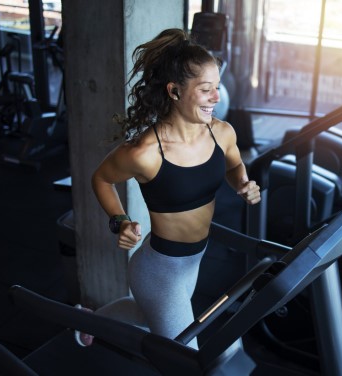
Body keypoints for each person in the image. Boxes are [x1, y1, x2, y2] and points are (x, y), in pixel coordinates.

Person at [79, 28, 261, 350]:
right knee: (184, 359)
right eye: (206, 90)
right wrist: (119, 220)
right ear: (175, 91)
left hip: (193, 261)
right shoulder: (144, 153)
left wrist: (243, 184)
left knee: (143, 313)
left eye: (217, 88)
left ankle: (86, 320)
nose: (217, 98)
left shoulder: (222, 133)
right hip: (160, 272)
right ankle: (85, 321)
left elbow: (234, 166)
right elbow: (101, 179)